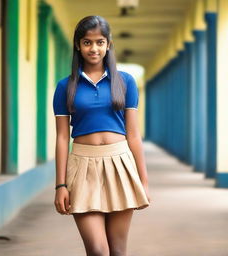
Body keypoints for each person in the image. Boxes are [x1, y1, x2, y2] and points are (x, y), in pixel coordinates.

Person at [53, 15, 151, 256]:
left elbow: (134, 136)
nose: (93, 48)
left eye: (99, 42)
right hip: (83, 167)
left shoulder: (125, 82)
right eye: (87, 42)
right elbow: (62, 138)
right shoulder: (66, 87)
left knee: (117, 251)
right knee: (97, 250)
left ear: (108, 45)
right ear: (78, 45)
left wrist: (144, 181)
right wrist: (60, 185)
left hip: (120, 165)